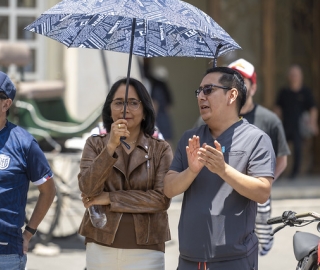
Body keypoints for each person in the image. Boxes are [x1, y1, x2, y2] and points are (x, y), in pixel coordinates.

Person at [164, 67, 275, 269]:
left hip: (234, 260)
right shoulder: (191, 139)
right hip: (190, 258)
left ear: (231, 95)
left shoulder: (256, 139)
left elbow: (262, 192)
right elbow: (169, 188)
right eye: (199, 91)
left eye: (208, 89)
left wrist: (223, 170)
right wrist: (192, 171)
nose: (201, 97)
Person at [78, 77, 173, 270]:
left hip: (147, 251)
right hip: (100, 246)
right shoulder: (95, 144)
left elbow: (160, 200)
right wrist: (110, 146)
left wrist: (110, 198)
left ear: (145, 111)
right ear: (109, 109)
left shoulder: (160, 149)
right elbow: (87, 188)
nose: (125, 109)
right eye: (119, 102)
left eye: (133, 103)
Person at [227, 58, 291, 256]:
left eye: (242, 83)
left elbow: (282, 159)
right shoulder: (218, 119)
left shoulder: (269, 120)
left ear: (253, 88)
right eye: (231, 83)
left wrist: (264, 184)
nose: (236, 88)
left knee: (256, 248)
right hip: (226, 197)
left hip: (258, 199)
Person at [0, 71, 56, 269]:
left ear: (6, 104)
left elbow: (48, 190)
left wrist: (29, 232)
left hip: (6, 255)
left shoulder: (24, 143)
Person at [274, 64, 319, 179]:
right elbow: (277, 109)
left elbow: (313, 109)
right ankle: (278, 173)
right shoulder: (284, 92)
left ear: (301, 76)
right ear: (289, 76)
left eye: (296, 75)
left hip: (299, 127)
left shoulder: (306, 92)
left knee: (298, 149)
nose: (294, 77)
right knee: (280, 149)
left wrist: (313, 124)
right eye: (292, 75)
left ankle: (294, 174)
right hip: (285, 125)